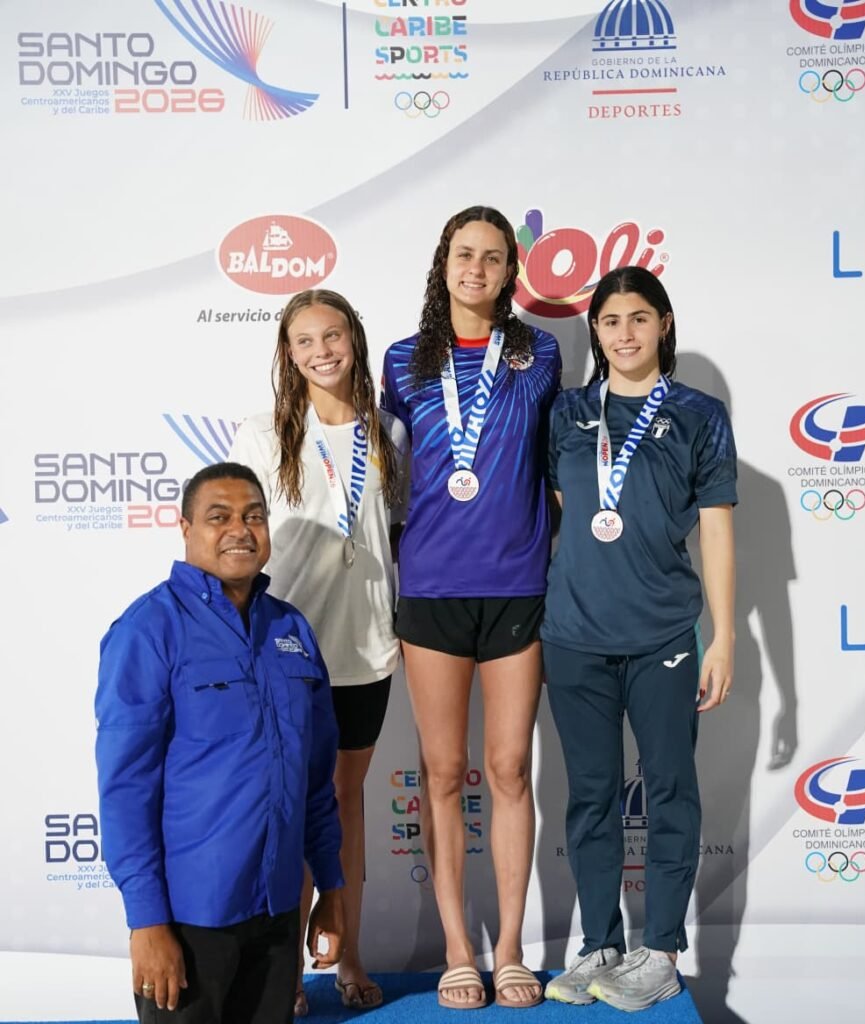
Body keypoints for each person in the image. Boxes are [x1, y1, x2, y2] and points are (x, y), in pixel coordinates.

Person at [541, 266, 737, 1012]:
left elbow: (715, 532)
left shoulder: (699, 414)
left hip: (663, 634)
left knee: (669, 790)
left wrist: (723, 637)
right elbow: (568, 511)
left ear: (663, 324)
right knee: (590, 795)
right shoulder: (567, 412)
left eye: (638, 318)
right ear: (594, 331)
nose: (624, 334)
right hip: (574, 634)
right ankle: (600, 944)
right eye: (610, 320)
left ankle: (659, 952)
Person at [381, 205, 561, 1009]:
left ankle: (513, 947)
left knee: (510, 768)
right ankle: (459, 949)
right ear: (442, 263)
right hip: (430, 586)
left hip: (516, 583)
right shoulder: (400, 360)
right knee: (445, 772)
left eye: (492, 257)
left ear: (509, 272)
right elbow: (383, 470)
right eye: (464, 254)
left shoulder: (538, 353)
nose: (476, 268)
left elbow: (551, 461)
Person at [95, 463, 345, 1023]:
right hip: (188, 920)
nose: (240, 530)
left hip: (278, 913)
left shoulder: (292, 630)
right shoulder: (147, 630)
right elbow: (126, 790)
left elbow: (315, 779)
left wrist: (330, 887)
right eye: (219, 517)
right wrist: (147, 922)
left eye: (254, 516)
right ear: (185, 528)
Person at [229, 289, 408, 1014]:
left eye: (331, 336)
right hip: (287, 651)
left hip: (365, 647)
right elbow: (237, 541)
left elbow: (397, 534)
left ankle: (349, 955)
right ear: (288, 353)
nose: (320, 351)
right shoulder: (261, 435)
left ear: (353, 340)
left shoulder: (388, 432)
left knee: (344, 803)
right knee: (288, 809)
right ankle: (286, 975)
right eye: (304, 341)